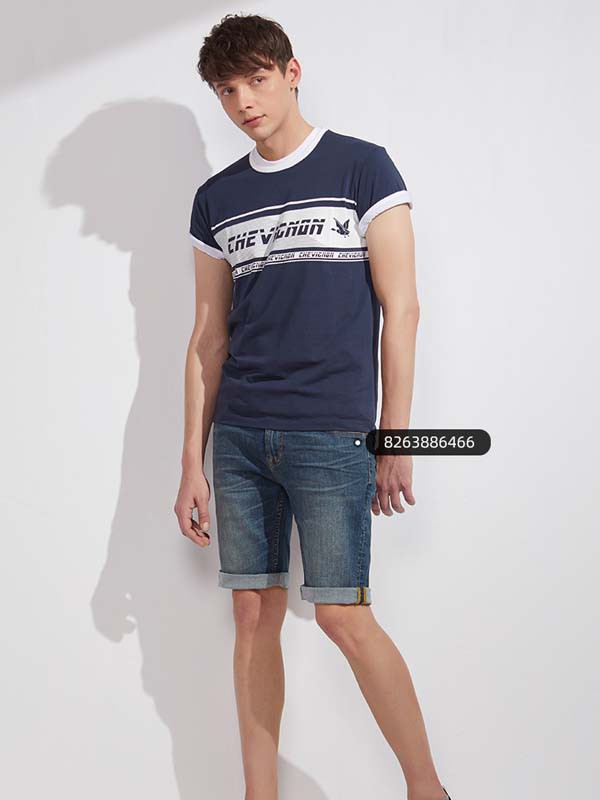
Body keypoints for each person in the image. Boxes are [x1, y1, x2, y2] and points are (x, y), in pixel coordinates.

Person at [174, 12, 452, 800]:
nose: (244, 101)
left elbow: (404, 310)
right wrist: (191, 460)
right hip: (238, 439)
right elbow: (207, 339)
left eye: (256, 80)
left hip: (331, 434)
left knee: (342, 618)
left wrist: (396, 439)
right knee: (252, 616)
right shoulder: (217, 198)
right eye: (227, 90)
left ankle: (427, 790)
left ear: (291, 73)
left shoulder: (362, 167)